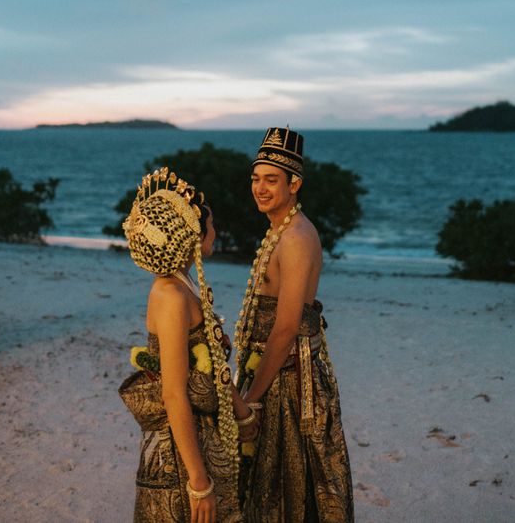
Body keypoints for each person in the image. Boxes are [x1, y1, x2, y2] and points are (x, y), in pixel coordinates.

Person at [119, 166, 254, 523]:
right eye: (211, 225)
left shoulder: (184, 283)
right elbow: (174, 394)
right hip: (179, 451)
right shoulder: (170, 295)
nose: (216, 231)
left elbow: (212, 359)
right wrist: (198, 482)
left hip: (202, 433)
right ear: (192, 232)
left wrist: (242, 413)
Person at [235, 128, 354, 523]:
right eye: (256, 178)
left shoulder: (297, 238)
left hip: (288, 382)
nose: (260, 188)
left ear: (295, 183)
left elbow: (285, 329)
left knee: (288, 492)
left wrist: (251, 398)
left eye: (272, 180)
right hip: (270, 374)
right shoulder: (279, 230)